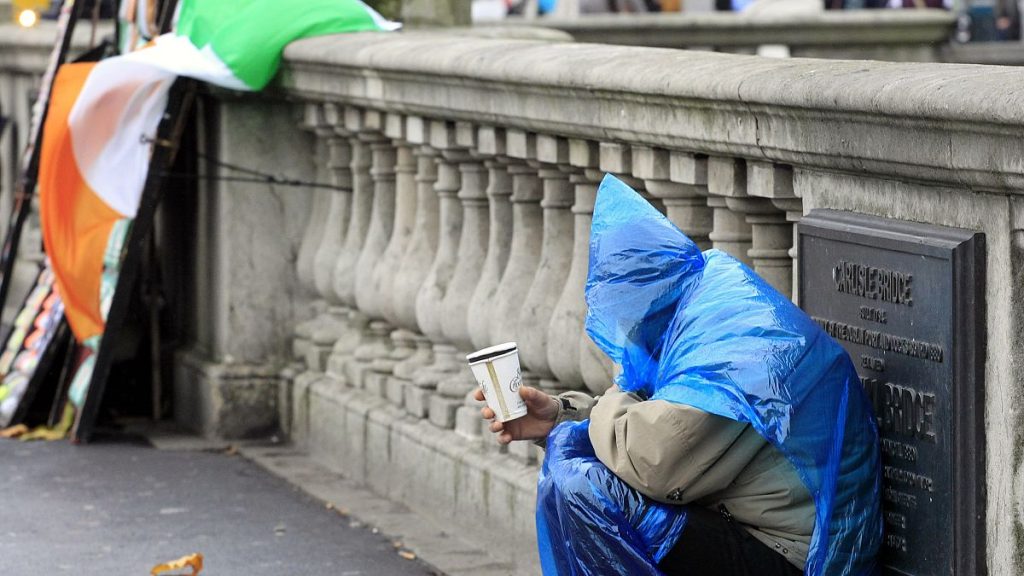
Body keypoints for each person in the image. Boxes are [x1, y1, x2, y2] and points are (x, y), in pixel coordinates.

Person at [477, 175, 882, 576]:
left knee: (587, 487)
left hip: (802, 560)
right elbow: (654, 422)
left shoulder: (727, 342)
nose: (629, 336)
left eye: (627, 316)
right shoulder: (703, 299)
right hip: (764, 532)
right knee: (572, 465)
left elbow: (651, 460)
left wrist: (604, 404)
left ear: (643, 295)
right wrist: (560, 415)